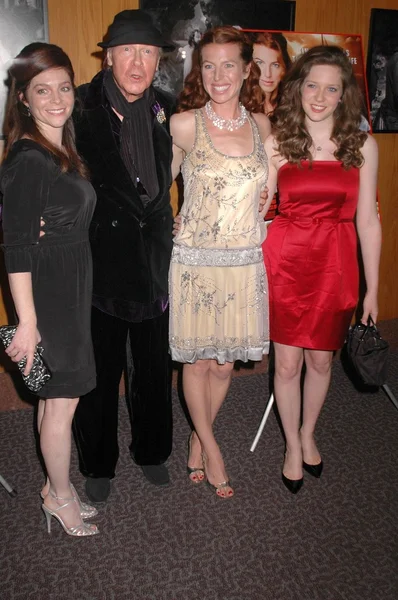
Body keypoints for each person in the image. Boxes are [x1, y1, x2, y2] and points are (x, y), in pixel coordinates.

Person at [262, 45, 381, 494]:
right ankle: (292, 444)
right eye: (312, 85)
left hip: (336, 263)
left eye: (331, 88)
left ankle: (310, 430)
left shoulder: (362, 146)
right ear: (298, 88)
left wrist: (373, 289)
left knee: (322, 359)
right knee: (288, 363)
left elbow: (368, 221)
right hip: (286, 261)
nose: (319, 96)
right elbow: (259, 210)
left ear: (343, 95)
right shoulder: (278, 142)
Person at [72, 10, 176, 502]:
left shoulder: (167, 110)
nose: (138, 62)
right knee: (100, 373)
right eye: (128, 51)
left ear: (158, 61)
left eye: (148, 52)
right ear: (109, 55)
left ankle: (153, 452)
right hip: (100, 266)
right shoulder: (77, 109)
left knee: (154, 369)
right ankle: (98, 463)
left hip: (155, 265)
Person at [0, 42, 99, 536]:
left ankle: (52, 487)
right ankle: (60, 498)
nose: (57, 98)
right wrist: (29, 322)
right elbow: (16, 246)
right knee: (62, 403)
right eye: (43, 90)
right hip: (50, 296)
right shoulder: (29, 158)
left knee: (51, 399)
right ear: (23, 98)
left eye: (64, 87)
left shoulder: (59, 147)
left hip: (68, 286)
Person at [169, 26, 272, 498]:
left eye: (229, 64)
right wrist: (161, 224)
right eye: (208, 65)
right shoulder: (185, 124)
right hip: (196, 262)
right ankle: (211, 448)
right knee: (199, 361)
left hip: (244, 261)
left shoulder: (262, 126)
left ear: (247, 69)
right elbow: (150, 191)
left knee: (225, 365)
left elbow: (265, 190)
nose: (218, 75)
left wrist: (266, 204)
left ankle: (196, 434)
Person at [250, 32, 291, 117]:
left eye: (275, 65)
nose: (268, 74)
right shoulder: (240, 107)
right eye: (260, 63)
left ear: (284, 68)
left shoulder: (291, 105)